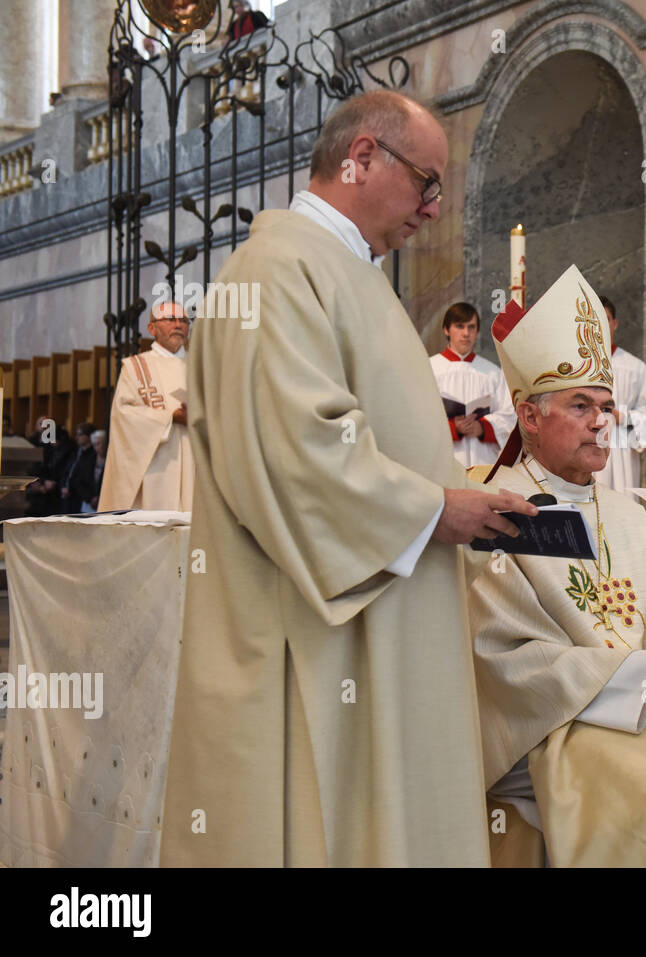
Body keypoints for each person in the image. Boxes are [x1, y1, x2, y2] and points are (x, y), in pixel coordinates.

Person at [160, 89, 535, 867]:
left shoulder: (347, 271)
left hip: (382, 624)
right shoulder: (273, 271)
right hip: (308, 641)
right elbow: (301, 453)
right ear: (362, 157)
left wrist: (445, 506)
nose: (433, 209)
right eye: (427, 182)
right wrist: (440, 509)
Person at [470, 264, 646, 868]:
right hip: (558, 723)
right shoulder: (495, 511)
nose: (600, 420)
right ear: (530, 416)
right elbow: (503, 658)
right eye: (580, 405)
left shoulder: (622, 509)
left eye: (606, 406)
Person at [99, 300, 195, 512]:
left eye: (184, 320)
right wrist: (170, 416)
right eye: (170, 319)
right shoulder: (136, 367)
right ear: (152, 328)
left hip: (195, 462)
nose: (178, 325)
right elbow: (124, 414)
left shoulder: (201, 366)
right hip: (155, 466)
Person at [429, 301, 515, 468]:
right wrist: (453, 428)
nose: (466, 333)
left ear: (477, 332)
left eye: (471, 327)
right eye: (459, 326)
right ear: (446, 330)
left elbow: (510, 416)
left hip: (482, 460)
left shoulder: (492, 372)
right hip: (445, 461)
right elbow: (419, 417)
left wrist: (483, 428)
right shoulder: (430, 369)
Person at [592, 295, 646, 491]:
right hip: (585, 443)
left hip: (621, 448)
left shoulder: (634, 367)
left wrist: (622, 416)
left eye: (605, 318)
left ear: (615, 324)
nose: (600, 324)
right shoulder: (577, 365)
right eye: (594, 318)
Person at [25, 417, 74, 517]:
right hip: (41, 486)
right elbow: (38, 467)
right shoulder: (39, 444)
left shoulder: (65, 449)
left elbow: (62, 469)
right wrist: (42, 482)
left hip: (54, 489)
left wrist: (49, 483)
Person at [58, 423, 96, 514]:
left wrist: (70, 488)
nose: (76, 438)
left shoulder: (93, 454)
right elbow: (67, 472)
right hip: (67, 495)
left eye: (80, 435)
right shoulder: (76, 451)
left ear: (89, 436)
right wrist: (63, 486)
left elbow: (82, 476)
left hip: (80, 497)